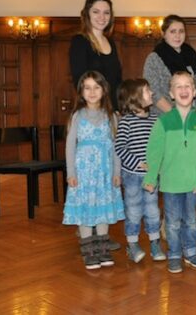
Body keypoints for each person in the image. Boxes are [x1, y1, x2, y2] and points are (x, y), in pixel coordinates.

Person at [143, 71, 196, 274]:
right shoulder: (163, 121)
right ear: (171, 94)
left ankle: (191, 252)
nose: (183, 90)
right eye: (178, 86)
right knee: (172, 222)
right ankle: (174, 254)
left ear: (194, 92)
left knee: (191, 220)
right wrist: (150, 178)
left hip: (192, 183)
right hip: (171, 183)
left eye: (187, 86)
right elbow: (154, 152)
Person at [62, 71, 125, 270]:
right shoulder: (77, 116)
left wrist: (117, 172)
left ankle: (103, 247)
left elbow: (116, 147)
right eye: (87, 87)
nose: (92, 91)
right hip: (84, 173)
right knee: (85, 210)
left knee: (103, 210)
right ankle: (88, 249)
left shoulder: (112, 116)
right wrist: (71, 173)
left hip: (105, 173)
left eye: (96, 87)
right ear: (81, 92)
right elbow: (70, 146)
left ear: (104, 90)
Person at [115, 78, 165, 263]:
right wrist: (138, 163)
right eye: (147, 90)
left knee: (152, 209)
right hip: (132, 176)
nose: (151, 93)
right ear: (135, 97)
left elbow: (160, 145)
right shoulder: (126, 121)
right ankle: (133, 244)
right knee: (134, 209)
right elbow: (120, 147)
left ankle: (154, 243)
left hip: (151, 176)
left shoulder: (155, 119)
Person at [143, 15, 196, 116]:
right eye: (173, 31)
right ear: (163, 34)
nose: (177, 36)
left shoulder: (192, 54)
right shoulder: (154, 58)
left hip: (194, 115)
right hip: (166, 117)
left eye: (181, 31)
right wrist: (176, 116)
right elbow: (154, 92)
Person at [69, 0, 122, 110]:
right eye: (96, 12)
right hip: (92, 109)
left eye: (106, 13)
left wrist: (118, 109)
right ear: (87, 14)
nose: (102, 17)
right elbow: (80, 81)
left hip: (113, 109)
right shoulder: (80, 41)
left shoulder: (111, 42)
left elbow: (117, 80)